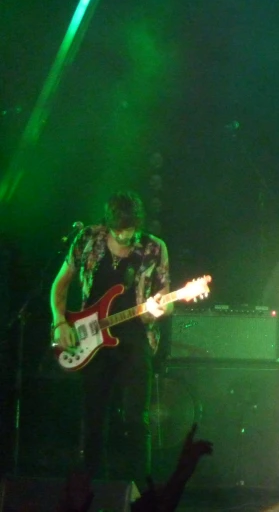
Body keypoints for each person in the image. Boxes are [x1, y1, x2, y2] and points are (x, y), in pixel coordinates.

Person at [50, 190, 172, 487]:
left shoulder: (153, 248)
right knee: (93, 418)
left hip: (134, 337)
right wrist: (59, 322)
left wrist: (157, 309)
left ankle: (141, 491)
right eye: (119, 231)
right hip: (91, 338)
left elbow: (166, 301)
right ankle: (92, 489)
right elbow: (59, 286)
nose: (125, 237)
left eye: (130, 231)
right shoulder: (87, 240)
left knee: (134, 418)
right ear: (108, 225)